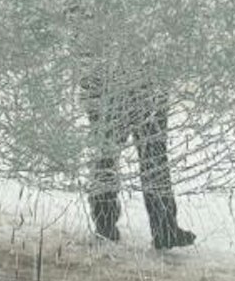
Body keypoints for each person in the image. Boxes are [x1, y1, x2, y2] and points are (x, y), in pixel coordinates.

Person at [80, 64, 195, 250]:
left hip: (142, 83)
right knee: (110, 155)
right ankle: (107, 223)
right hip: (113, 85)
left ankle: (164, 229)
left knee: (151, 154)